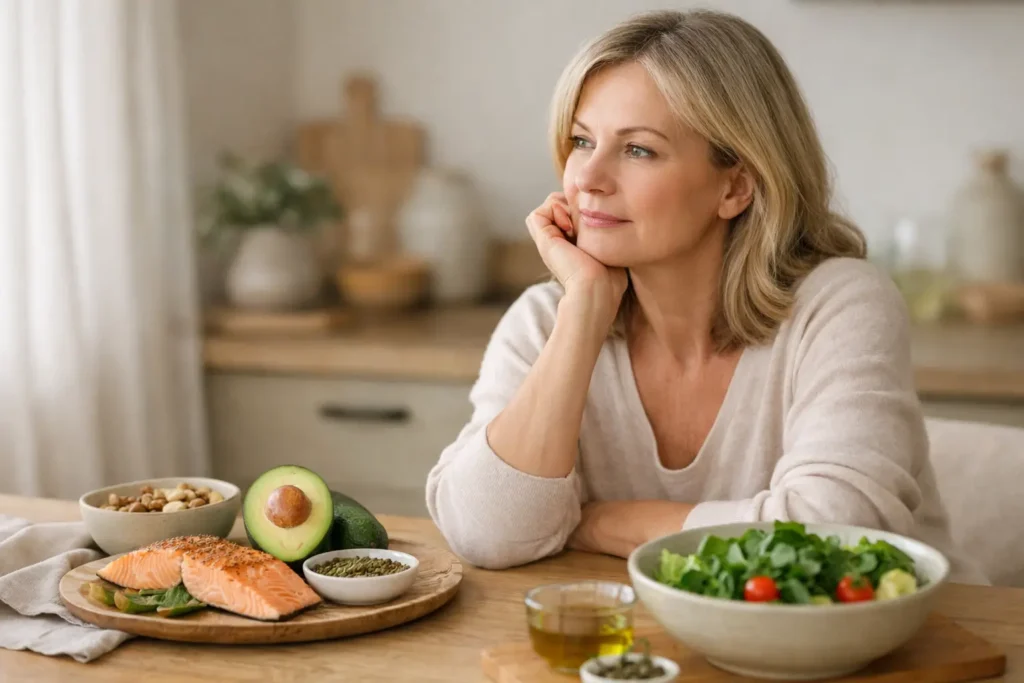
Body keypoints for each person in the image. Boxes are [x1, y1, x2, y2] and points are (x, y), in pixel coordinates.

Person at [425, 9, 984, 583]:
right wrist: (585, 311)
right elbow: (486, 533)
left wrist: (602, 523)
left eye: (638, 149)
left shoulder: (841, 304)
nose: (587, 177)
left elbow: (833, 536)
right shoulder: (549, 319)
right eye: (581, 140)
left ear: (735, 186)